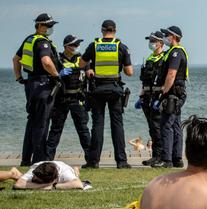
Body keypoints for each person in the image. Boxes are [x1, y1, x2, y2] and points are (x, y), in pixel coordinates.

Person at [78, 19, 133, 169]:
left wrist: (90, 67)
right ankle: (121, 162)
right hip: (115, 89)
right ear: (115, 31)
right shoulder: (121, 47)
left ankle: (93, 161)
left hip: (97, 90)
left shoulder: (94, 46)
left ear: (102, 31)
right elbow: (129, 72)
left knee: (97, 125)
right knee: (117, 125)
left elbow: (81, 64)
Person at [12, 13, 63, 166]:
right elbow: (46, 61)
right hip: (43, 84)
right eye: (49, 25)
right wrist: (57, 76)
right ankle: (39, 161)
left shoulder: (29, 39)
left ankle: (26, 159)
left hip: (31, 85)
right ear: (40, 25)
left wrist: (19, 77)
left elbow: (16, 59)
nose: (51, 28)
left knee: (32, 122)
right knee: (42, 123)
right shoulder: (42, 42)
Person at [45, 35, 91, 163]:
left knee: (83, 129)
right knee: (55, 129)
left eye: (78, 45)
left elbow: (89, 73)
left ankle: (91, 160)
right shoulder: (57, 59)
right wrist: (59, 74)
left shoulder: (82, 60)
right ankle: (47, 159)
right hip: (61, 99)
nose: (77, 47)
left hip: (78, 98)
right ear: (66, 46)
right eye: (74, 45)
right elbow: (50, 77)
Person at [151, 26, 188, 168]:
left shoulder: (175, 53)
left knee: (166, 125)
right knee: (176, 125)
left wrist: (163, 93)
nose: (165, 36)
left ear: (173, 36)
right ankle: (177, 158)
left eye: (167, 35)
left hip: (172, 93)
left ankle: (167, 160)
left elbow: (171, 74)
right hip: (177, 93)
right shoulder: (173, 52)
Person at [137, 31, 165, 166]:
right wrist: (140, 96)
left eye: (153, 40)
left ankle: (161, 157)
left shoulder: (165, 58)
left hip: (158, 97)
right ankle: (155, 156)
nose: (151, 43)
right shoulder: (149, 59)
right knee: (152, 128)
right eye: (150, 40)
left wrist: (161, 97)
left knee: (158, 127)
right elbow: (144, 81)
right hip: (147, 97)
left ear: (160, 43)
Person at [13, 161, 83, 190]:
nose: (33, 178)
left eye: (37, 179)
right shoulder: (36, 170)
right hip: (46, 164)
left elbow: (79, 184)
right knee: (22, 177)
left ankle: (76, 170)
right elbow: (18, 185)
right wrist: (44, 186)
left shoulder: (65, 173)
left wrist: (54, 185)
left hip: (65, 167)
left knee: (76, 176)